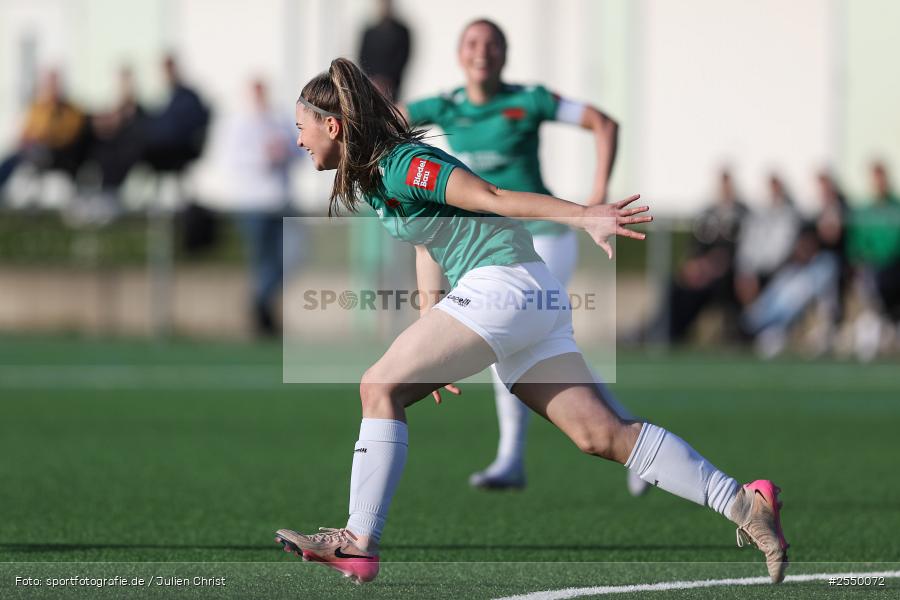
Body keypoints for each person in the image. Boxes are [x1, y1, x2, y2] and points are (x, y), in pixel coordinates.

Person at [274, 58, 789, 586]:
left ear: (332, 125)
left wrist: (584, 214)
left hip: (504, 287)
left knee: (377, 387)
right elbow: (429, 241)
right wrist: (431, 323)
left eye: (300, 128)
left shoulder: (405, 164)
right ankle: (744, 503)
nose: (298, 140)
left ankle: (358, 541)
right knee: (601, 435)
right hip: (525, 295)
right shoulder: (376, 177)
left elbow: (493, 199)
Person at [403, 19, 644, 494]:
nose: (482, 52)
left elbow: (604, 123)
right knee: (545, 352)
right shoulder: (446, 106)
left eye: (492, 44)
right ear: (458, 53)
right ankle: (632, 437)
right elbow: (388, 120)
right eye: (472, 43)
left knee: (507, 343)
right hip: (499, 246)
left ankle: (515, 459)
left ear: (505, 54)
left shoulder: (528, 99)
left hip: (545, 237)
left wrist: (596, 198)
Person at [219, 79, 298, 336]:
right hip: (253, 203)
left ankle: (260, 303)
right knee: (263, 260)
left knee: (289, 258)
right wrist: (263, 157)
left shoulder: (279, 119)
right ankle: (262, 312)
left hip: (279, 201)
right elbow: (232, 160)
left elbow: (300, 150)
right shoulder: (239, 123)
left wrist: (283, 152)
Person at [643, 168, 749, 344]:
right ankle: (667, 331)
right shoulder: (708, 213)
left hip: (726, 275)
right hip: (704, 273)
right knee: (676, 286)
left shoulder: (742, 213)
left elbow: (741, 249)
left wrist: (716, 265)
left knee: (713, 289)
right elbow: (696, 246)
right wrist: (696, 266)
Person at [0, 69, 90, 191]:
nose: (51, 88)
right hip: (33, 150)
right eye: (48, 84)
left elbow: (67, 136)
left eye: (54, 84)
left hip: (58, 154)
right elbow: (26, 132)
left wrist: (44, 136)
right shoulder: (38, 108)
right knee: (13, 158)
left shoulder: (70, 110)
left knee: (25, 157)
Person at [358, 0, 411, 101]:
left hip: (393, 85)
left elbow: (403, 56)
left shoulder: (402, 31)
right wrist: (375, 79)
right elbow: (363, 56)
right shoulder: (369, 32)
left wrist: (387, 80)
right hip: (372, 84)